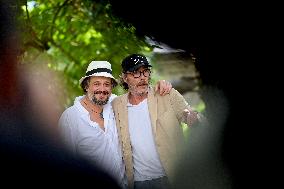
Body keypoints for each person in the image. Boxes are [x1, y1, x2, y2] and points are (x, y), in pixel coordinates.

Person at [58, 60, 172, 188]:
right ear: (86, 86)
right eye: (96, 84)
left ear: (112, 87)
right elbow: (63, 164)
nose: (102, 89)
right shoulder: (70, 118)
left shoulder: (116, 105)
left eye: (107, 84)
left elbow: (139, 94)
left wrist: (162, 84)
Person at [112, 53, 201, 189]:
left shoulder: (167, 94)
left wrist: (193, 117)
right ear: (125, 77)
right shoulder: (117, 105)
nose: (142, 77)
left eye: (145, 71)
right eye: (136, 73)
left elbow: (192, 117)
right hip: (138, 182)